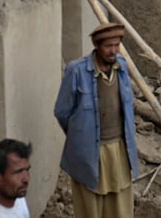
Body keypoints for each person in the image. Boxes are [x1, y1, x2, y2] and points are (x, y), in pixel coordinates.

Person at [55, 22, 140, 218]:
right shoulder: (77, 71)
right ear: (96, 46)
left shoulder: (122, 67)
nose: (113, 51)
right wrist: (81, 134)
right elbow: (62, 112)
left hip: (119, 148)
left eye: (116, 45)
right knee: (90, 207)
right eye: (108, 46)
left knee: (120, 205)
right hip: (89, 151)